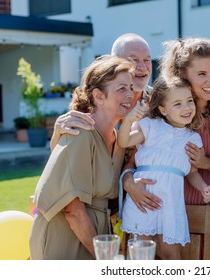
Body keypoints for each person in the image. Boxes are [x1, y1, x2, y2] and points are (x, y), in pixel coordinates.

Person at [29, 56, 135, 259]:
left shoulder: (119, 139)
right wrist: (104, 258)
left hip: (95, 241)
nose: (130, 94)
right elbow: (73, 211)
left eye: (131, 87)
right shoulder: (79, 132)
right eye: (122, 88)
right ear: (99, 96)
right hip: (63, 243)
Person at [50, 33, 163, 213]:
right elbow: (64, 163)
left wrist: (127, 178)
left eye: (147, 60)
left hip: (149, 202)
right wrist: (57, 134)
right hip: (93, 207)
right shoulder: (94, 102)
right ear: (114, 63)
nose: (142, 67)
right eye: (134, 60)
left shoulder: (160, 103)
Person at [117, 77, 210, 259]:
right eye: (177, 104)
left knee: (171, 256)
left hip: (170, 203)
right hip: (143, 199)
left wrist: (203, 188)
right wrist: (129, 120)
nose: (186, 108)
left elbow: (192, 173)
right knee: (140, 254)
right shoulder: (150, 127)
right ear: (163, 109)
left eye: (189, 101)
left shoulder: (192, 139)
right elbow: (124, 141)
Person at [158, 37, 210, 205]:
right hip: (176, 212)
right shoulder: (164, 115)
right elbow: (139, 162)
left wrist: (207, 163)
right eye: (202, 74)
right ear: (181, 74)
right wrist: (129, 183)